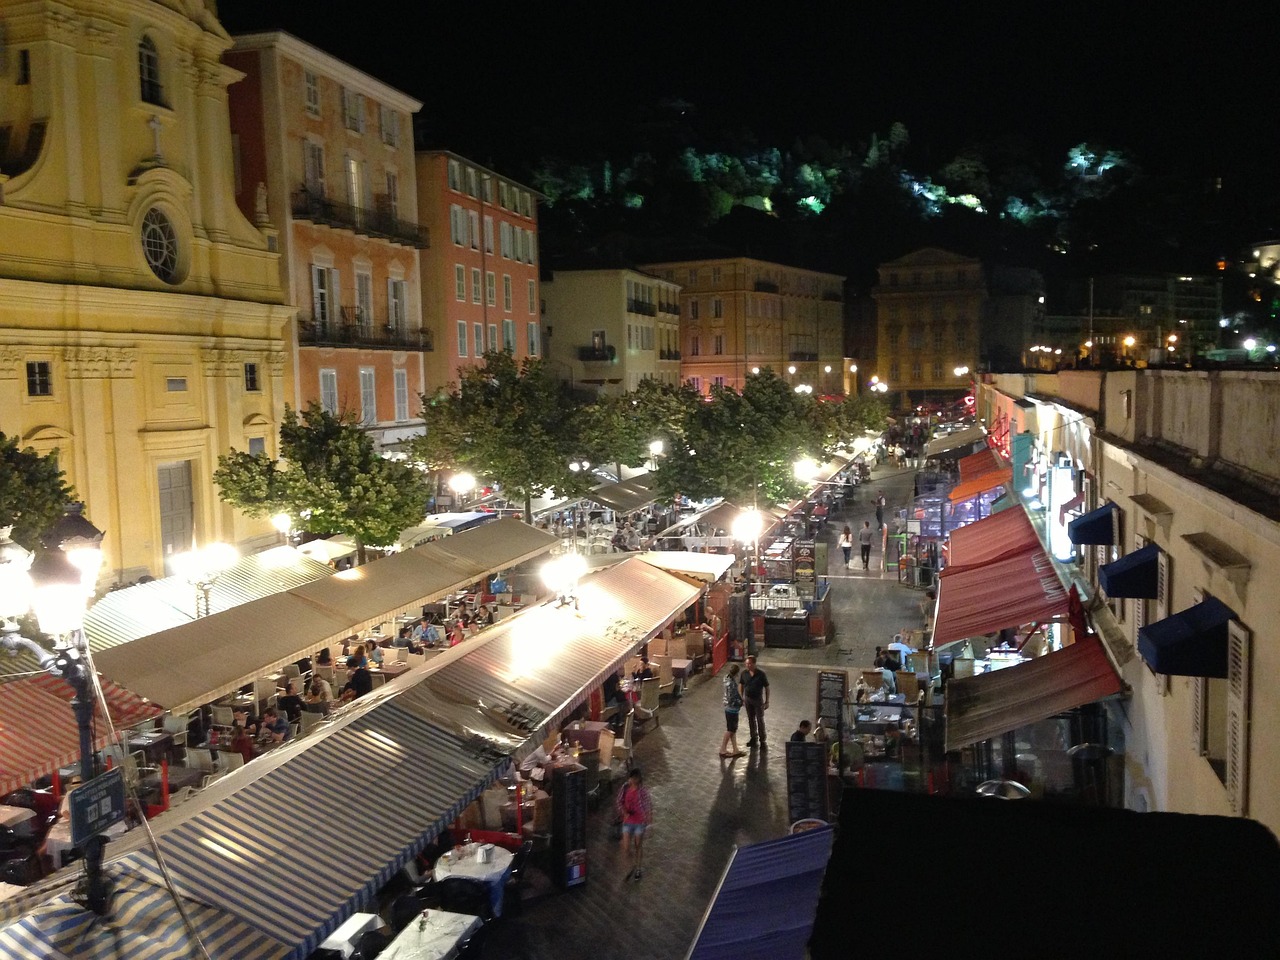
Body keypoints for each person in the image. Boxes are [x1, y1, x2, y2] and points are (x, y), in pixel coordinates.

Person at [616, 768, 653, 881]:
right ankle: (632, 865)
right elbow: (619, 801)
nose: (634, 780)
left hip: (639, 821)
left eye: (636, 778)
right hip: (628, 821)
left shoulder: (643, 791)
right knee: (626, 846)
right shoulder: (625, 787)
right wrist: (624, 812)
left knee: (638, 845)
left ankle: (638, 868)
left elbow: (647, 805)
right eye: (633, 778)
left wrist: (648, 818)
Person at [738, 655, 770, 748]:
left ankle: (762, 740)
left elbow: (767, 687)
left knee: (760, 719)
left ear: (754, 664)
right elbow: (741, 684)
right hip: (748, 699)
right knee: (751, 719)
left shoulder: (761, 674)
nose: (748, 665)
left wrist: (767, 701)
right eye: (746, 664)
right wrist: (742, 697)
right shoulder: (744, 673)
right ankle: (753, 737)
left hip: (758, 700)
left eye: (750, 664)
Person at [719, 663, 745, 758]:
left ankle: (735, 749)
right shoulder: (732, 684)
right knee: (730, 730)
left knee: (733, 729)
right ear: (737, 673)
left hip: (727, 707)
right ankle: (722, 749)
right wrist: (741, 702)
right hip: (732, 709)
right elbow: (733, 698)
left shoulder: (726, 678)